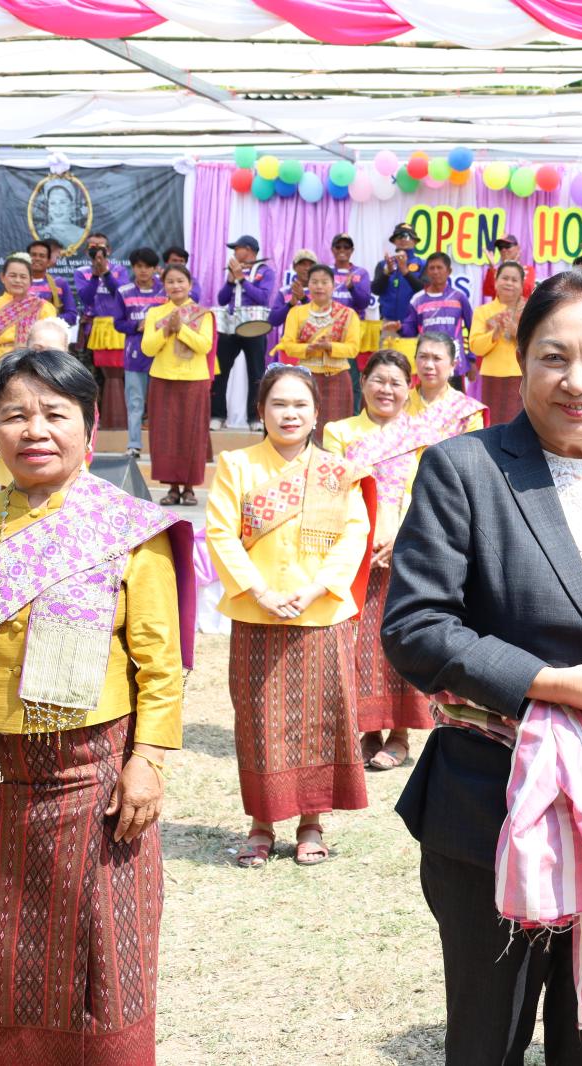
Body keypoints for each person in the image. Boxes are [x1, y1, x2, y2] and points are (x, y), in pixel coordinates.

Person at [382, 268, 582, 1064]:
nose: (577, 381)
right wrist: (552, 686)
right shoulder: (464, 468)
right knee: (487, 1040)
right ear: (520, 362)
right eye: (553, 358)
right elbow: (416, 628)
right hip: (495, 805)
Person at [0, 346, 192, 1065]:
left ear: (88, 428)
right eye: (15, 415)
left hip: (95, 785)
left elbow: (160, 665)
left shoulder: (127, 528)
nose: (35, 430)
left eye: (55, 414)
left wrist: (149, 762)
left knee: (104, 963)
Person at [205, 365, 373, 868]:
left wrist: (315, 589)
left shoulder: (337, 471)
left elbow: (354, 535)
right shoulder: (236, 464)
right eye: (279, 404)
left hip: (320, 613)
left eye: (301, 404)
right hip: (256, 614)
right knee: (259, 722)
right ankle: (261, 823)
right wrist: (259, 591)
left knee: (319, 721)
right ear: (261, 411)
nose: (290, 414)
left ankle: (311, 822)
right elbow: (220, 533)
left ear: (317, 413)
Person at [323, 346, 485, 771]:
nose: (386, 389)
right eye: (378, 380)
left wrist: (398, 536)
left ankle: (399, 734)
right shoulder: (339, 433)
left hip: (408, 550)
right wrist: (364, 538)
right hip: (354, 552)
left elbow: (425, 492)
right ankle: (367, 730)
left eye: (396, 382)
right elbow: (335, 490)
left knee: (402, 637)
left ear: (407, 387)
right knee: (358, 644)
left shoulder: (422, 435)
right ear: (362, 383)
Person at [141, 265, 214, 507]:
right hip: (162, 378)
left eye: (180, 281)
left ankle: (190, 488)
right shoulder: (155, 313)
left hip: (194, 380)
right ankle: (172, 488)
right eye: (170, 281)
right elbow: (147, 348)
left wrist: (180, 329)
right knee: (166, 436)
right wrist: (166, 330)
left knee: (192, 434)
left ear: (190, 284)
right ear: (164, 286)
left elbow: (204, 346)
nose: (176, 285)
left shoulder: (203, 314)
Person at [277, 264, 361, 436]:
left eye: (324, 282)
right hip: (306, 378)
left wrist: (330, 347)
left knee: (336, 431)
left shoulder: (348, 314)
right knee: (305, 427)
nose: (319, 286)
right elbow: (288, 345)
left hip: (338, 377)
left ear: (333, 285)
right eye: (314, 282)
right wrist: (309, 348)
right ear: (308, 285)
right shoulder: (296, 312)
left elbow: (353, 349)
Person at [214, 235, 275, 431]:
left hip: (254, 327)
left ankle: (255, 418)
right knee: (220, 372)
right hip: (230, 327)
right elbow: (222, 299)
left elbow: (263, 298)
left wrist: (242, 279)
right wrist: (230, 281)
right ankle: (217, 415)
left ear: (248, 249)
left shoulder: (265, 271)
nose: (234, 252)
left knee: (256, 373)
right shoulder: (233, 270)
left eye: (237, 248)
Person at [114, 247, 167, 458]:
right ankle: (134, 445)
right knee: (135, 403)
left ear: (155, 268)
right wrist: (137, 326)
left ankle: (160, 447)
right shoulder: (124, 291)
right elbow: (118, 323)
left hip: (162, 356)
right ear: (133, 268)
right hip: (134, 356)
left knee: (160, 404)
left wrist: (155, 326)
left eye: (148, 266)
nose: (143, 271)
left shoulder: (166, 291)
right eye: (139, 266)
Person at [74, 233, 131, 428]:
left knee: (117, 376)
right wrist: (95, 276)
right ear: (86, 251)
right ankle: (92, 419)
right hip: (91, 330)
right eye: (93, 248)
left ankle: (118, 417)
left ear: (109, 250)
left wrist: (105, 273)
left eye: (101, 248)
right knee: (90, 377)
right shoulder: (81, 272)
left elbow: (120, 294)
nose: (97, 251)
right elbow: (86, 298)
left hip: (116, 332)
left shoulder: (119, 270)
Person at [0, 254, 56, 388]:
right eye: (12, 276)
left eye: (23, 277)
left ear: (31, 280)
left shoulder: (44, 307)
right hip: (1, 366)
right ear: (3, 277)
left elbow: (50, 346)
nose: (18, 280)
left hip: (34, 368)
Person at [401, 252, 474, 390]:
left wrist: (472, 360)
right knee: (430, 401)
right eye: (432, 268)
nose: (435, 271)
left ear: (449, 271)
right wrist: (399, 327)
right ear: (427, 272)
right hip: (429, 365)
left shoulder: (459, 297)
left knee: (456, 403)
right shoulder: (417, 300)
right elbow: (410, 330)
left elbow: (473, 329)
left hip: (455, 365)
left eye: (439, 267)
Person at [468, 261, 528, 425]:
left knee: (519, 426)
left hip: (521, 375)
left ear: (522, 285)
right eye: (505, 278)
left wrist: (516, 332)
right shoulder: (483, 311)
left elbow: (537, 344)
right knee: (493, 426)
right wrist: (495, 333)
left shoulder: (529, 311)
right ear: (496, 282)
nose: (509, 283)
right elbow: (476, 347)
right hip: (492, 376)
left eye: (514, 280)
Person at [406, 331, 489, 428]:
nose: (428, 365)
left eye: (437, 358)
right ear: (415, 360)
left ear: (453, 365)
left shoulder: (468, 411)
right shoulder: (400, 402)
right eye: (423, 357)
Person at [330, 234, 373, 414]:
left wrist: (351, 288)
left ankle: (354, 416)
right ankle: (329, 416)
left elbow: (363, 302)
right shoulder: (326, 272)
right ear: (332, 249)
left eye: (346, 247)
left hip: (351, 332)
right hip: (328, 331)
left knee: (352, 378)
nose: (342, 250)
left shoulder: (360, 273)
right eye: (338, 247)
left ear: (352, 250)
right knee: (328, 377)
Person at [371, 224, 424, 349]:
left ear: (415, 241)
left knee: (414, 359)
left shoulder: (423, 264)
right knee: (387, 359)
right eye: (399, 236)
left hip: (414, 323)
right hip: (389, 324)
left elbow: (423, 289)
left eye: (408, 236)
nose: (403, 239)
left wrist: (405, 271)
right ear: (394, 241)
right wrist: (386, 273)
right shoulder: (384, 264)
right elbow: (375, 289)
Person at [25, 239, 78, 328]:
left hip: (51, 333)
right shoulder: (17, 282)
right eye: (33, 255)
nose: (37, 258)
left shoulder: (59, 283)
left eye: (42, 256)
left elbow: (72, 316)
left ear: (48, 260)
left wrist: (46, 319)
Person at [268, 249, 318, 336]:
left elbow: (322, 318)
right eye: (303, 264)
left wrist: (304, 299)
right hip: (289, 342)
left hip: (313, 341)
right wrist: (290, 304)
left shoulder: (320, 291)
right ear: (294, 266)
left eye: (311, 265)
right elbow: (273, 320)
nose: (307, 268)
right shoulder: (284, 292)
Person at [479, 234, 535, 300]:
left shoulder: (528, 269)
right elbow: (488, 291)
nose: (503, 250)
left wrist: (513, 266)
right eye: (500, 247)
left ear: (518, 248)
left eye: (507, 246)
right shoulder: (495, 271)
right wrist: (492, 267)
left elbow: (526, 291)